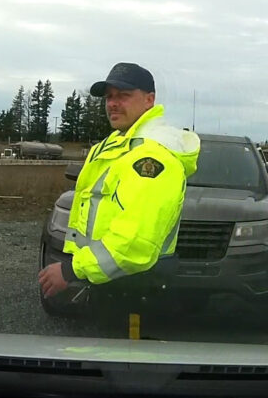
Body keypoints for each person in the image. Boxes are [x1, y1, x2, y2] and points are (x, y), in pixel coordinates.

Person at [37, 62, 200, 303]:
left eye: (123, 96)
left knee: (121, 342)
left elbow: (134, 243)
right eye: (109, 97)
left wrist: (72, 270)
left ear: (149, 100)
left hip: (136, 288)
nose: (112, 103)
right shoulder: (118, 144)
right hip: (110, 279)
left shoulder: (151, 156)